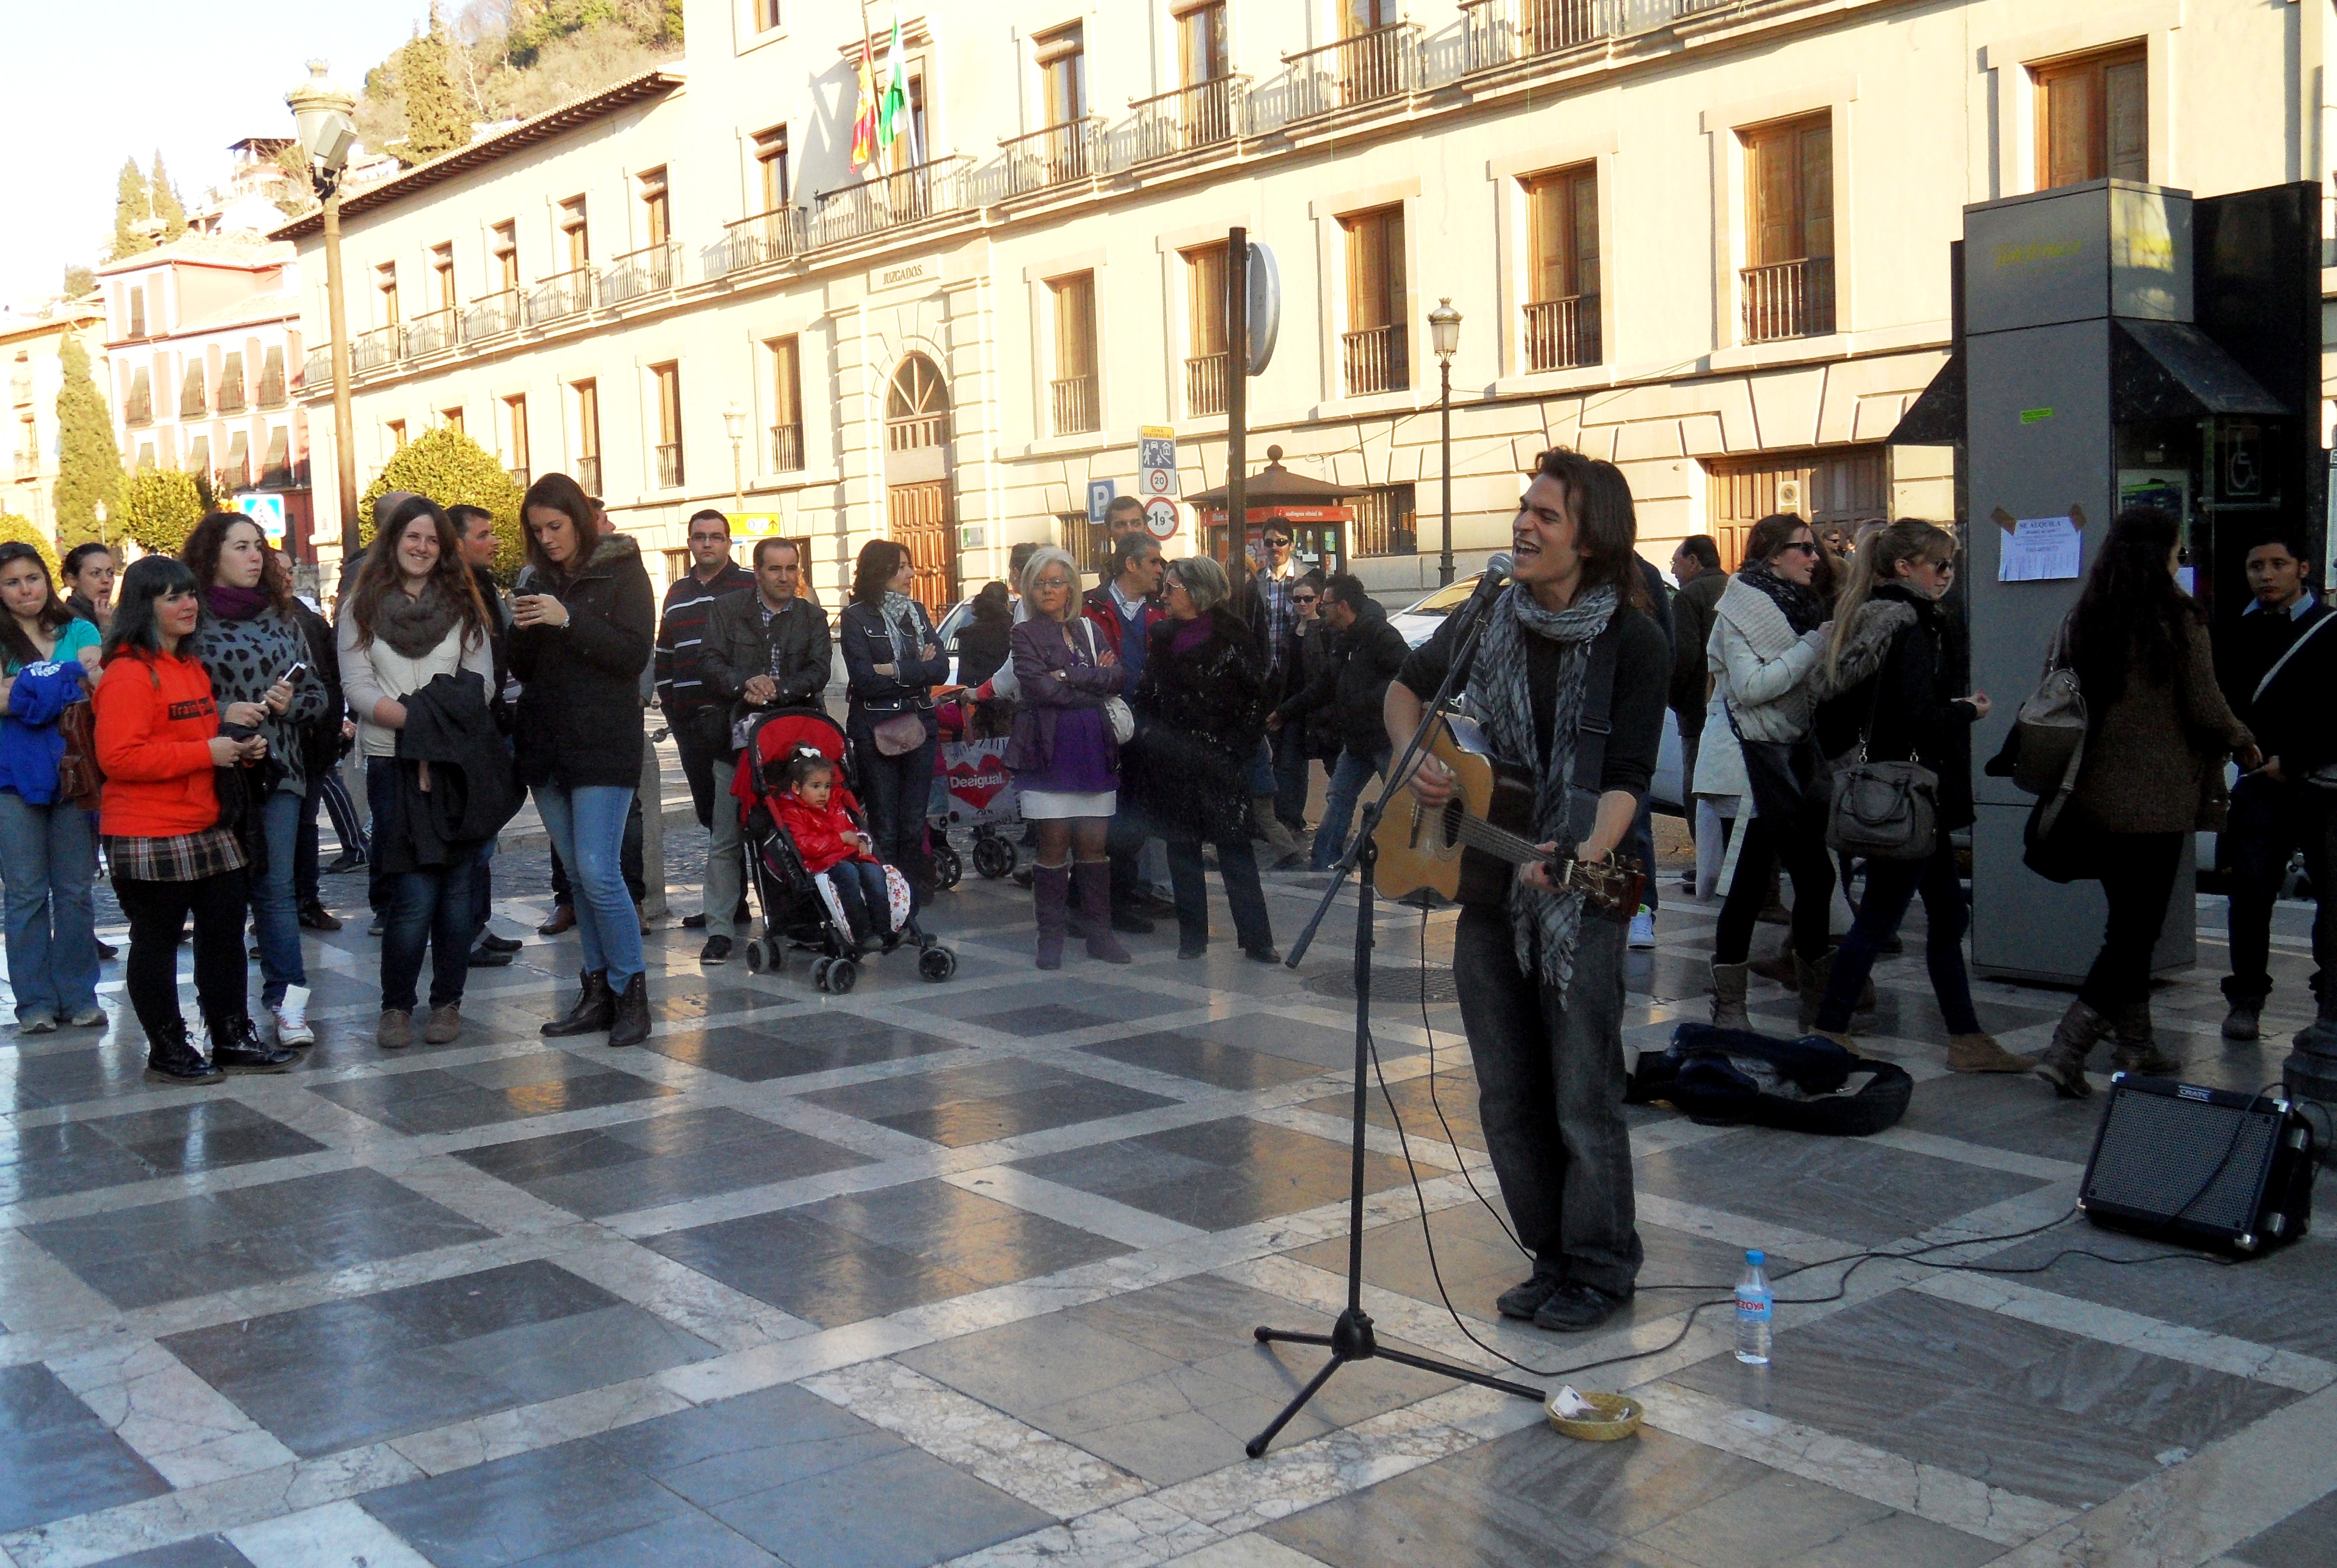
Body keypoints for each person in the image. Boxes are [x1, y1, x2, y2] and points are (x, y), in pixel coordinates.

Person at [1386, 447, 1668, 1333]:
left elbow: (1626, 777)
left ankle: (1602, 1265)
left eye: (1546, 515)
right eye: (1524, 508)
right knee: (1506, 1093)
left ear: (1592, 537)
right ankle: (1550, 1256)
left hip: (1585, 888)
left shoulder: (1635, 640)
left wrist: (1582, 852)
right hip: (1490, 887)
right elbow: (1404, 692)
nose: (1523, 525)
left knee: (1581, 1092)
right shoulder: (1489, 617)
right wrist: (1418, 760)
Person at [2032, 507, 2258, 1096]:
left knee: (2126, 925)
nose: (2181, 557)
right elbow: (2205, 703)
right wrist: (2243, 738)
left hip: (2090, 795)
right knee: (2136, 934)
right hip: (2155, 800)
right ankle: (2067, 1047)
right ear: (2164, 552)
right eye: (2178, 548)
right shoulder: (2177, 616)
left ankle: (2136, 1044)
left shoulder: (2088, 614)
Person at [1804, 521, 2026, 1071]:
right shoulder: (1908, 624)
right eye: (1939, 564)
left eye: (1952, 564)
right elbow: (1917, 717)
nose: (1948, 575)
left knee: (1946, 916)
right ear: (1905, 568)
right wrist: (1966, 711)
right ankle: (1831, 1028)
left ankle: (1966, 1037)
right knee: (1882, 917)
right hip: (1907, 795)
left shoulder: (1879, 617)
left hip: (1912, 794)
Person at [92, 556, 296, 1084]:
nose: (189, 605)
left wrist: (238, 750)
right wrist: (207, 753)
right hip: (147, 828)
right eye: (173, 597)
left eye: (190, 594)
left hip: (206, 821)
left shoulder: (189, 667)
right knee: (157, 940)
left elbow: (194, 739)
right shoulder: (128, 673)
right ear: (145, 607)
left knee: (225, 932)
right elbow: (119, 758)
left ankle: (230, 1035)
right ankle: (167, 1047)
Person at [341, 497, 504, 1048]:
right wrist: (421, 725)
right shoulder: (361, 606)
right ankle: (396, 1007)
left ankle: (448, 1002)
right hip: (393, 762)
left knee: (457, 893)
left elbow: (481, 684)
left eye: (433, 539)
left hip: (457, 763)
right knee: (411, 894)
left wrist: (434, 729)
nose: (422, 547)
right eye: (412, 536)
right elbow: (358, 687)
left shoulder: (465, 605)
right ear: (393, 541)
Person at [511, 473, 657, 1047]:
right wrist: (522, 624)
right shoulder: (534, 578)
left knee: (599, 869)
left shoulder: (622, 570)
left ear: (578, 519)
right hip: (546, 741)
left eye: (555, 526)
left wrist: (567, 618)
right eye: (537, 530)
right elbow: (523, 668)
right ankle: (597, 992)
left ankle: (631, 994)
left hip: (602, 739)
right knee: (577, 876)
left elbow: (632, 654)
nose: (547, 539)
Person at [182, 510, 329, 1047]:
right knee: (219, 896)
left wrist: (289, 705)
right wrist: (225, 711)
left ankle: (288, 1003)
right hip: (214, 772)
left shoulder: (283, 618)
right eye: (240, 546)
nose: (253, 557)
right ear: (212, 556)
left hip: (278, 774)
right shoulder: (191, 620)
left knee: (276, 889)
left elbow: (318, 696)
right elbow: (173, 700)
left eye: (258, 546)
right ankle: (220, 1012)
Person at [1702, 514, 1837, 1031]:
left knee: (1816, 877)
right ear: (1773, 554)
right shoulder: (1739, 608)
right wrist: (1814, 647)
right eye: (1803, 547)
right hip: (1751, 764)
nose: (1814, 557)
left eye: (1814, 548)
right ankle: (1730, 1007)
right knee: (1750, 885)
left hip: (1793, 759)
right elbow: (1753, 687)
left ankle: (1817, 1003)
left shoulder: (1803, 606)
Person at [2211, 530, 2336, 1042]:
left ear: (2302, 568)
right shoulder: (2229, 631)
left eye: (2277, 564)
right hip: (2258, 783)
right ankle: (2246, 999)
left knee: (2333, 897)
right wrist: (2236, 743)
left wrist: (2297, 760)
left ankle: (2330, 1000)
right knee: (2250, 894)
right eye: (2255, 566)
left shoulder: (2330, 628)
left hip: (2322, 785)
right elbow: (2217, 702)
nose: (2266, 575)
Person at [1125, 554, 1277, 962]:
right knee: (1182, 850)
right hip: (1174, 761)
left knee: (1235, 850)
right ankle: (1192, 937)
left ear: (1196, 591)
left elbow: (1255, 699)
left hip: (1221, 760)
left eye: (1171, 587)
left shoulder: (1233, 634)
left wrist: (1234, 747)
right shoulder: (1164, 636)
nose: (1163, 594)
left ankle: (1257, 939)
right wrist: (1152, 735)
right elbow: (1147, 693)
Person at [697, 536, 831, 963]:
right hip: (735, 740)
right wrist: (746, 684)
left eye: (791, 568)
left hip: (794, 744)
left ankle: (802, 920)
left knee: (796, 832)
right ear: (757, 572)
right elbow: (710, 662)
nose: (785, 577)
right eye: (775, 569)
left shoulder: (811, 616)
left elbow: (819, 670)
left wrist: (779, 689)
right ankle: (719, 929)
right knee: (726, 837)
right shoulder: (726, 610)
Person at [1006, 546, 1128, 969]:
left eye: (1056, 582)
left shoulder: (1090, 629)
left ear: (1072, 587)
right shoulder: (1023, 634)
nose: (1048, 590)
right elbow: (1040, 689)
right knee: (1054, 844)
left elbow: (1118, 677)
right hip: (1049, 749)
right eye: (1040, 583)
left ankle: (1100, 936)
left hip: (1094, 748)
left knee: (1094, 846)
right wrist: (1091, 684)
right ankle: (1051, 939)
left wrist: (1070, 676)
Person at [0, 542, 103, 1031]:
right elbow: (73, 681)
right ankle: (35, 1002)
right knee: (25, 893)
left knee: (75, 891)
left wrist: (22, 689)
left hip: (74, 774)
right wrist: (61, 679)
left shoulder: (80, 628)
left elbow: (91, 687)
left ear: (47, 580)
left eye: (33, 578)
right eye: (12, 582)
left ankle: (80, 995)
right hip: (12, 779)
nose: (26, 589)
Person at [655, 509, 755, 937]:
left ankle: (753, 900)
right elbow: (664, 654)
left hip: (738, 718)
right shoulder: (676, 592)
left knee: (748, 812)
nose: (708, 544)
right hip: (691, 720)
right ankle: (730, 903)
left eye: (716, 536)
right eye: (700, 537)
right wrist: (671, 704)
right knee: (711, 813)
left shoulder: (750, 584)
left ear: (729, 542)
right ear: (690, 543)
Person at [840, 539, 946, 907]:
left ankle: (911, 895)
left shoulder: (916, 612)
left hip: (919, 723)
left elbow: (940, 669)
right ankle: (888, 898)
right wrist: (916, 670)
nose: (911, 574)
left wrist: (893, 669)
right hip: (876, 728)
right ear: (879, 571)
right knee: (885, 823)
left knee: (914, 822)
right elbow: (865, 680)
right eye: (901, 567)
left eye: (909, 565)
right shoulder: (856, 617)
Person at [1278, 573, 1407, 871]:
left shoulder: (1379, 635)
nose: (1322, 609)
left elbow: (1406, 673)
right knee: (1338, 796)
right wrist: (1286, 712)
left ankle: (1407, 866)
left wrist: (1369, 700)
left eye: (1326, 603)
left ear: (1344, 606)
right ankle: (1324, 863)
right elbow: (1325, 684)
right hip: (1356, 740)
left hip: (1385, 737)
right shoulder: (1341, 637)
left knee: (1402, 801)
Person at [1081, 532, 1168, 931]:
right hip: (1102, 727)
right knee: (1103, 819)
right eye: (1154, 562)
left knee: (1134, 817)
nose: (1160, 569)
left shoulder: (1159, 610)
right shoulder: (1091, 607)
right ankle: (1098, 901)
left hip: (1145, 730)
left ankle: (1120, 895)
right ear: (1131, 565)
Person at [450, 502, 521, 967]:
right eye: (484, 534)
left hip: (496, 723)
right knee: (472, 837)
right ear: (457, 544)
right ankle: (464, 933)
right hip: (470, 728)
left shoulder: (485, 586)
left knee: (485, 833)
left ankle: (478, 923)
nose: (494, 541)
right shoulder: (451, 593)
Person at [772, 752, 895, 945]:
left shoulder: (835, 806)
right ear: (797, 788)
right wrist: (841, 839)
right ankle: (862, 932)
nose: (823, 793)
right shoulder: (792, 813)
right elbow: (805, 845)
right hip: (821, 863)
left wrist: (861, 842)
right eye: (816, 786)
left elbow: (851, 828)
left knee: (874, 873)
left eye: (827, 786)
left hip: (849, 856)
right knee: (848, 874)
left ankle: (884, 929)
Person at [287, 588, 347, 933]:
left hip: (311, 740)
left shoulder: (307, 622)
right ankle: (277, 908)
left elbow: (329, 680)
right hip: (271, 746)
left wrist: (330, 730)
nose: (284, 577)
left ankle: (306, 900)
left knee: (306, 826)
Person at [1669, 535, 1725, 889]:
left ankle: (1707, 863)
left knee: (1698, 789)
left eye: (1676, 562)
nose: (1674, 571)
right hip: (1731, 708)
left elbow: (1685, 657)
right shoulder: (1733, 587)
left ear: (1693, 561)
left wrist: (1672, 697)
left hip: (1697, 710)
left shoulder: (1690, 596)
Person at [954, 582, 1014, 688]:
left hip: (981, 694)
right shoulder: (1015, 629)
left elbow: (964, 680)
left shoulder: (969, 635)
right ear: (1007, 603)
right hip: (1012, 692)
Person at [62, 543, 116, 632]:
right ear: (72, 580)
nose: (106, 580)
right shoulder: (68, 620)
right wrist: (106, 627)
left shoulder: (111, 614)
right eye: (96, 573)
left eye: (111, 573)